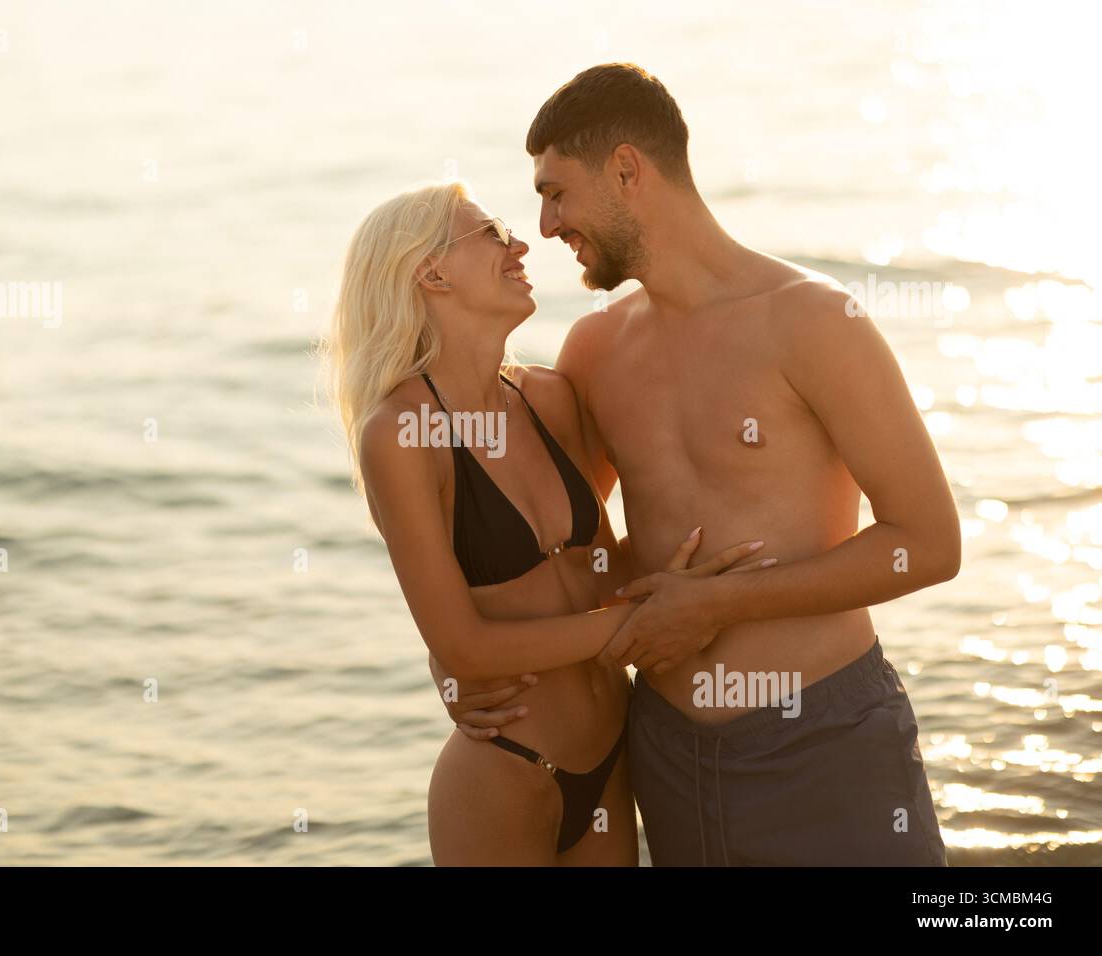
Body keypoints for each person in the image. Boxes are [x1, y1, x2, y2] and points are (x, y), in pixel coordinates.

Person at [441, 63, 958, 866]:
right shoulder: (595, 349)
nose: (544, 226)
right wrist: (460, 656)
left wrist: (720, 605)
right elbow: (564, 556)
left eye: (557, 193)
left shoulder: (816, 322)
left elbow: (927, 543)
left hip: (824, 740)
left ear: (626, 170)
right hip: (666, 752)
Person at [328, 180, 773, 865]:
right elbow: (465, 646)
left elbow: (599, 566)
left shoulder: (550, 397)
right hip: (507, 766)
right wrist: (645, 622)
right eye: (492, 233)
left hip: (612, 756)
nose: (521, 244)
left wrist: (700, 565)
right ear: (432, 273)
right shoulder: (401, 433)